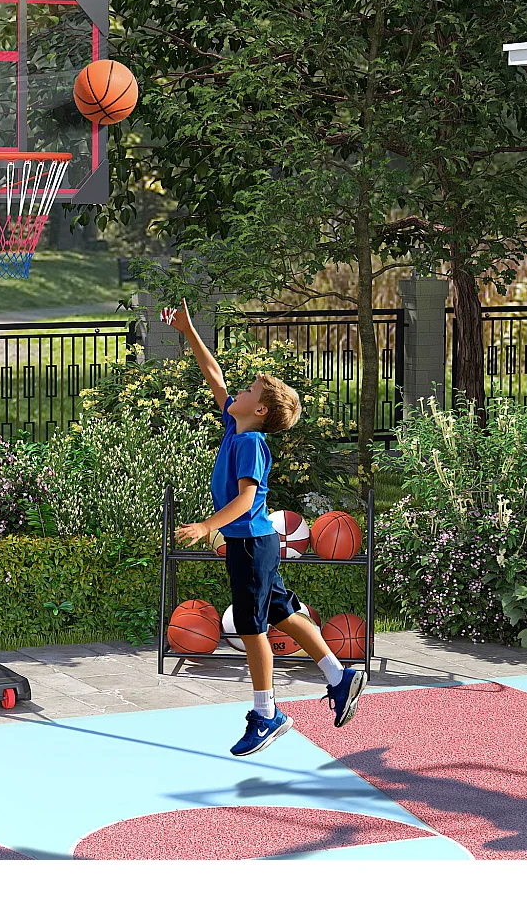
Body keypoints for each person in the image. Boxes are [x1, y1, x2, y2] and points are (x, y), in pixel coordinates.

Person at [162, 301, 365, 756]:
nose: (239, 389)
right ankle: (340, 675)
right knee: (285, 614)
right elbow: (213, 374)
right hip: (256, 544)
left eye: (251, 389)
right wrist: (189, 330)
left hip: (251, 545)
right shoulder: (238, 426)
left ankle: (267, 713)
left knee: (253, 628)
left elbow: (248, 498)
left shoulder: (251, 441)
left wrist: (207, 526)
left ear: (261, 410)